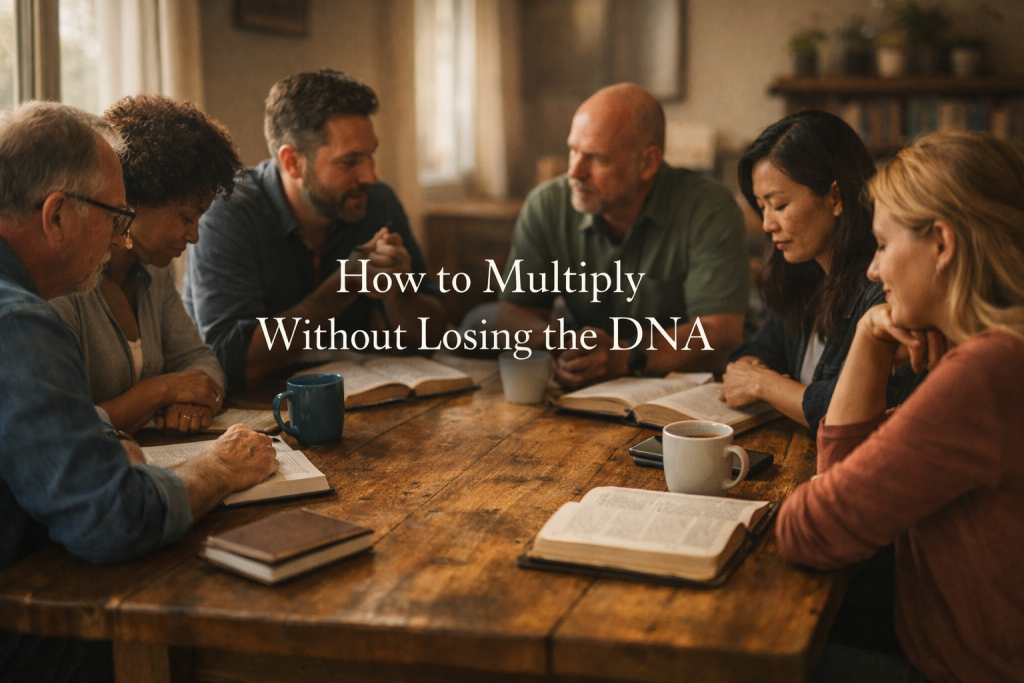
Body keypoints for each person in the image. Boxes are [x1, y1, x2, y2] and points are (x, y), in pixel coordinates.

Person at [0, 102, 279, 682]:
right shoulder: (19, 322)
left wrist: (104, 432)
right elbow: (113, 518)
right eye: (114, 215)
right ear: (55, 217)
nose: (119, 234)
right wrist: (219, 470)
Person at [777, 131, 1024, 682]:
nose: (872, 270)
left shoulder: (985, 375)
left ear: (942, 243)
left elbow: (811, 530)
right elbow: (849, 481)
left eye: (883, 245)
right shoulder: (988, 355)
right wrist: (869, 334)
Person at [183, 69, 445, 390]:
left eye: (370, 155)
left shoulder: (377, 203)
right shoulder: (228, 213)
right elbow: (233, 363)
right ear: (292, 162)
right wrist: (345, 286)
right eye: (350, 161)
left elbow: (432, 336)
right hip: (255, 416)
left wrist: (399, 295)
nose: (370, 176)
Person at [495, 83, 748, 388]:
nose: (574, 171)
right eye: (573, 150)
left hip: (677, 388)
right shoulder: (547, 203)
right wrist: (562, 346)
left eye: (596, 158)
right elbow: (513, 313)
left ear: (647, 162)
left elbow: (720, 333)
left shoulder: (709, 207)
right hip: (587, 385)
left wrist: (626, 355)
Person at [719, 111, 923, 433]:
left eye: (779, 205)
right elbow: (761, 347)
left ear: (835, 196)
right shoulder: (803, 273)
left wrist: (764, 385)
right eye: (762, 207)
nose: (768, 224)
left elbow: (862, 408)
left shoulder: (883, 287)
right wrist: (748, 369)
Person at [51, 95, 242, 434]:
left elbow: (202, 363)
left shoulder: (155, 272)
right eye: (186, 217)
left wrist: (189, 403)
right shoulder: (63, 283)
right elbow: (65, 427)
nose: (194, 236)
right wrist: (162, 391)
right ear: (135, 197)